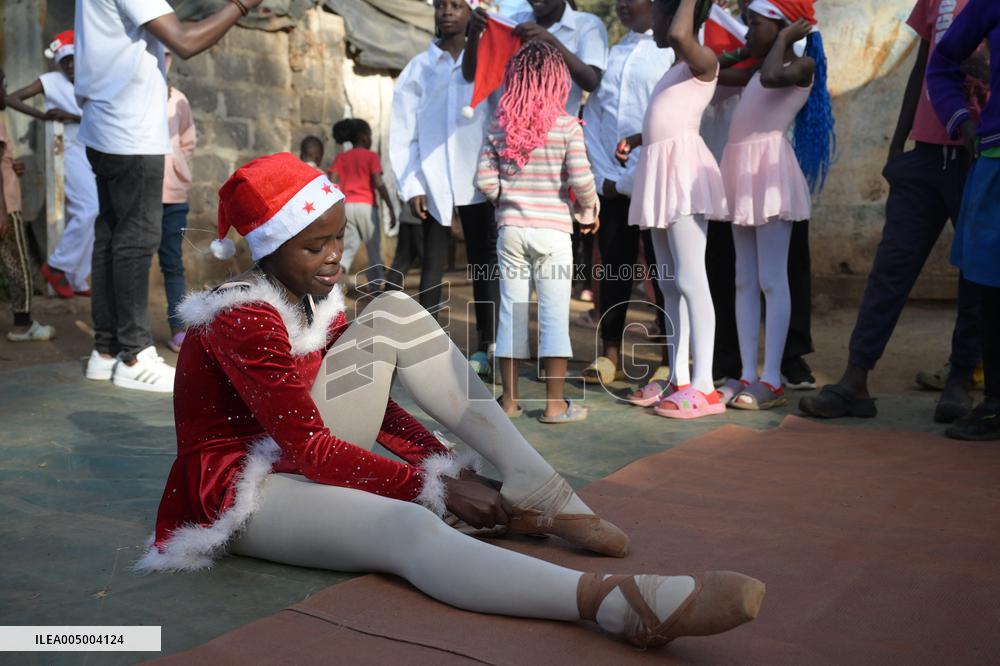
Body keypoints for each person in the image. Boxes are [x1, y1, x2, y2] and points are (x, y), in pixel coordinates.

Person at [136, 152, 765, 648]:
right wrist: (427, 488)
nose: (334, 259)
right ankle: (612, 603)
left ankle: (537, 487)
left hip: (300, 454)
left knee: (394, 310)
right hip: (241, 488)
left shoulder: (306, 296)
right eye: (314, 246)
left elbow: (374, 407)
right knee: (408, 526)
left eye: (337, 240)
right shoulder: (242, 315)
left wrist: (443, 464)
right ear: (267, 246)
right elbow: (313, 447)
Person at [799, 0, 986, 423]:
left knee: (975, 275)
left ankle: (958, 381)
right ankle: (854, 381)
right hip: (923, 156)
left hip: (977, 155)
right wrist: (897, 145)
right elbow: (923, 65)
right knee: (890, 268)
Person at [74, 0, 267, 392]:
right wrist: (241, 6)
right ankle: (134, 353)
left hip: (105, 127)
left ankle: (107, 350)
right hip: (131, 133)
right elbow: (185, 41)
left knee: (112, 235)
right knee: (136, 240)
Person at [718, 0, 834, 410]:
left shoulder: (800, 67)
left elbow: (770, 77)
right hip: (741, 168)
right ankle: (748, 372)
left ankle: (773, 378)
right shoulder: (756, 66)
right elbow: (713, 72)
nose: (746, 32)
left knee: (772, 279)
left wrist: (784, 37)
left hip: (768, 172)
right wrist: (746, 47)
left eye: (754, 24)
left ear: (785, 27)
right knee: (743, 280)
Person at [476, 42, 600, 423]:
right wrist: (588, 210)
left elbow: (483, 181)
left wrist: (506, 202)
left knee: (511, 314)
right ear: (557, 81)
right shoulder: (565, 126)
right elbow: (581, 179)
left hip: (511, 231)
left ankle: (510, 402)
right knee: (553, 316)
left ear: (515, 80)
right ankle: (554, 405)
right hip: (553, 233)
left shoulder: (499, 125)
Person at [617, 0, 727, 420]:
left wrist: (685, 4)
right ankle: (678, 377)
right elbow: (664, 119)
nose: (658, 25)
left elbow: (682, 34)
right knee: (667, 282)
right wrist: (637, 136)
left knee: (691, 277)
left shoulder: (704, 61)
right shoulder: (673, 70)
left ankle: (706, 387)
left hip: (684, 174)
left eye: (661, 16)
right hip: (660, 171)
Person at [390, 0, 499, 376]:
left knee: (484, 264)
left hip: (478, 181)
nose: (447, 12)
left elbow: (498, 118)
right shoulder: (419, 69)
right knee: (431, 264)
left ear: (472, 12)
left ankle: (489, 345)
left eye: (456, 5)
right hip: (433, 179)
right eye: (441, 6)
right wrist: (412, 183)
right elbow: (404, 132)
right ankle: (429, 350)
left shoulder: (486, 62)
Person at [581, 0, 675, 393]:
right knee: (615, 267)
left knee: (662, 269)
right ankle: (610, 355)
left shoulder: (672, 52)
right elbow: (597, 118)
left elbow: (669, 119)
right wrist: (604, 174)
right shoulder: (615, 54)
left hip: (656, 177)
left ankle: (670, 358)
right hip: (612, 181)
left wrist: (631, 176)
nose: (621, 4)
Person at [926, 0, 999, 441]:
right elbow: (942, 62)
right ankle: (994, 403)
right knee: (990, 288)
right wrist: (963, 122)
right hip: (995, 160)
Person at [4, 30, 96, 299]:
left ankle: (78, 278)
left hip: (93, 150)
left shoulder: (92, 80)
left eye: (72, 60)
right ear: (58, 63)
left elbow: (98, 117)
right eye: (64, 61)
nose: (69, 65)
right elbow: (10, 98)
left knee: (94, 213)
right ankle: (57, 266)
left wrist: (70, 115)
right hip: (68, 151)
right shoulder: (51, 81)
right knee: (88, 209)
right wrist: (42, 116)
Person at [466, 0, 609, 117]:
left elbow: (591, 82)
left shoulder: (587, 25)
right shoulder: (515, 22)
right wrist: (474, 31)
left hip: (556, 138)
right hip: (508, 135)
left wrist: (550, 42)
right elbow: (473, 74)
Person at [1, 69, 56, 342]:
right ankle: (22, 324)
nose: (5, 93)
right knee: (17, 263)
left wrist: (11, 165)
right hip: (5, 206)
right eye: (2, 85)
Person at [328, 118, 396, 291]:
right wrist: (390, 207)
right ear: (365, 138)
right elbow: (379, 183)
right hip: (367, 207)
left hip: (347, 207)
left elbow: (332, 181)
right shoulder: (372, 156)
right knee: (373, 247)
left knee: (349, 246)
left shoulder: (341, 158)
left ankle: (336, 280)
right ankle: (376, 287)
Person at [160, 51, 197, 353]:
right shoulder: (133, 96)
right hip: (139, 194)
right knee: (133, 262)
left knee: (172, 262)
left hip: (173, 195)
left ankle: (177, 328)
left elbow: (188, 140)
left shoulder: (179, 99)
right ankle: (129, 336)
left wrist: (178, 165)